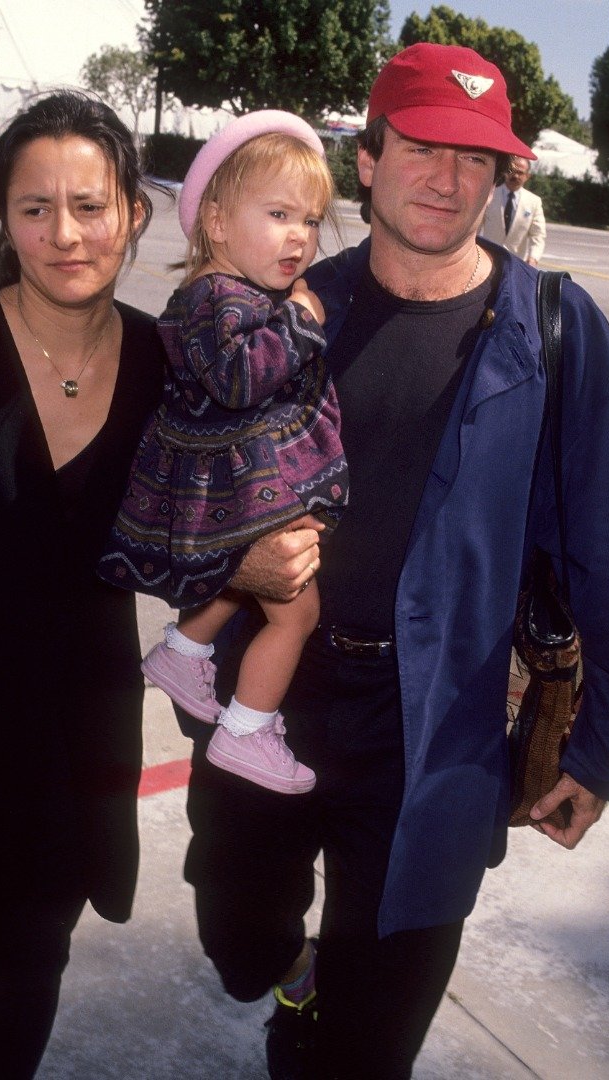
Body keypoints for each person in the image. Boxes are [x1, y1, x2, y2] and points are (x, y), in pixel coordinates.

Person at [180, 42, 609, 1080]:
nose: (447, 179)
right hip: (274, 695)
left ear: (499, 177)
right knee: (237, 946)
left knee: (366, 1045)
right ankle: (288, 971)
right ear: (368, 156)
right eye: (422, 149)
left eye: (475, 159)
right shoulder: (292, 307)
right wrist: (220, 583)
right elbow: (183, 478)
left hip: (435, 727)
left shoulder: (552, 326)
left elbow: (607, 548)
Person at [0, 90, 163, 1079]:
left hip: (78, 725)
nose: (64, 234)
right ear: (0, 216)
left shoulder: (165, 360)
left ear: (133, 213)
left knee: (35, 948)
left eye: (90, 205)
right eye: (33, 208)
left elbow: (218, 511)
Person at [99, 111, 348, 795]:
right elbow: (240, 377)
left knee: (257, 581)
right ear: (214, 220)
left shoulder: (231, 290)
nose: (299, 235)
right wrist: (299, 323)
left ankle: (184, 651)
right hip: (227, 481)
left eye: (310, 218)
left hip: (229, 473)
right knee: (296, 611)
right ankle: (247, 729)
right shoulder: (217, 296)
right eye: (278, 213)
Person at [481, 155, 546, 266]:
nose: (515, 175)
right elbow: (474, 228)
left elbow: (538, 235)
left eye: (520, 173)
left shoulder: (534, 202)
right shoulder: (488, 195)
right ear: (505, 172)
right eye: (512, 171)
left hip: (516, 264)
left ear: (527, 176)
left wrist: (533, 258)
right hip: (487, 259)